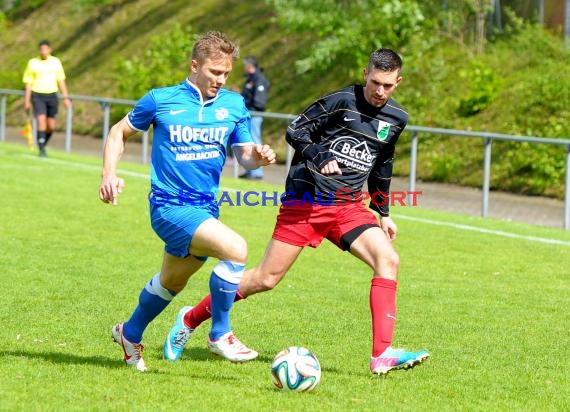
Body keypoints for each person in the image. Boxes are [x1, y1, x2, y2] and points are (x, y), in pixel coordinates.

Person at [164, 48, 430, 375]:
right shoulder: (340, 101)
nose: (380, 91)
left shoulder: (396, 118)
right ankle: (190, 318)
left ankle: (382, 355)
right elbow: (296, 130)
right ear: (365, 74)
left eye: (388, 86)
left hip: (348, 207)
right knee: (265, 279)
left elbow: (382, 163)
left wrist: (384, 212)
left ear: (398, 82)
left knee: (388, 259)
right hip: (306, 204)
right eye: (375, 82)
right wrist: (319, 156)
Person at [98, 31, 276, 372]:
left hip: (205, 208)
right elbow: (118, 132)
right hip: (168, 207)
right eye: (214, 73)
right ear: (195, 66)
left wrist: (259, 155)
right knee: (236, 249)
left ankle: (129, 332)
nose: (220, 81)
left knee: (172, 282)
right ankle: (220, 334)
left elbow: (244, 157)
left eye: (226, 74)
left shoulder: (233, 104)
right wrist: (108, 174)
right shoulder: (161, 100)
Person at [23, 39, 72, 157]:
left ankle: (42, 143)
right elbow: (28, 83)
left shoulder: (55, 62)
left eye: (46, 49)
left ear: (50, 50)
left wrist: (66, 98)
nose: (43, 51)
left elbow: (61, 81)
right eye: (41, 49)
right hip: (37, 95)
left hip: (52, 95)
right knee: (41, 121)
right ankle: (41, 149)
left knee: (51, 126)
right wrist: (26, 101)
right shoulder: (33, 63)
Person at [239, 55, 269, 180]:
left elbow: (260, 101)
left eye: (245, 65)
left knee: (255, 141)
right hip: (249, 114)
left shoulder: (259, 79)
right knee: (248, 141)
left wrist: (251, 108)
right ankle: (250, 170)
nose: (244, 68)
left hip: (254, 115)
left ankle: (257, 172)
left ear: (249, 66)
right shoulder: (250, 79)